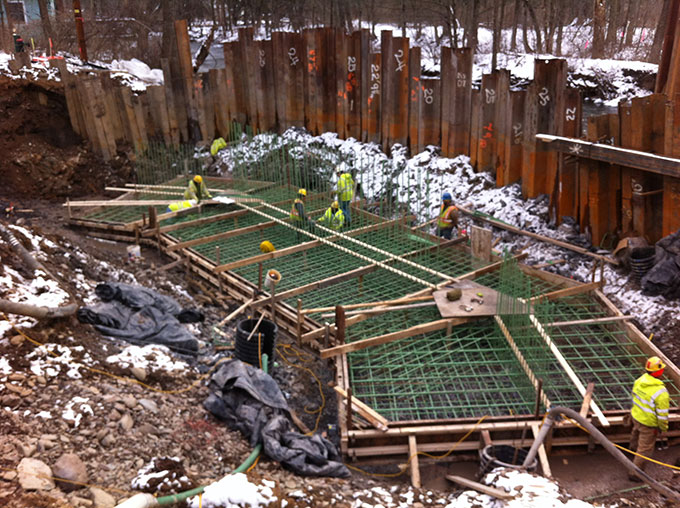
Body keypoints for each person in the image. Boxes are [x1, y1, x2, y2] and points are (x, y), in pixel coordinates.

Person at [628, 356, 669, 481]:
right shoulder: (661, 392)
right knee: (645, 449)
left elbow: (634, 396)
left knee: (635, 435)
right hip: (648, 424)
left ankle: (631, 453)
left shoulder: (639, 381)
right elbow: (662, 415)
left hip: (636, 416)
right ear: (658, 371)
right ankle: (635, 474)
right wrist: (663, 428)